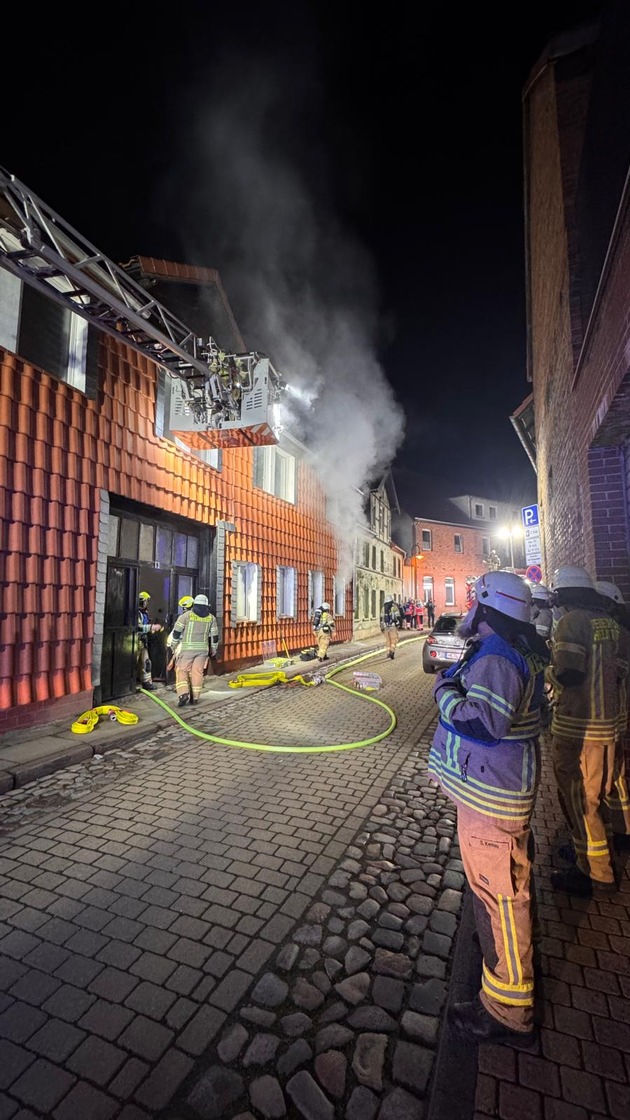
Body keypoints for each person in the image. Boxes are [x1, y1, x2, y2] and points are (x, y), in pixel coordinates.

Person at [428, 571, 549, 1043]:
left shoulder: (499, 657)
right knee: (500, 891)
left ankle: (507, 1009)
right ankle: (501, 956)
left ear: (485, 606)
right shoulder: (515, 651)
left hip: (492, 799)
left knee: (502, 897)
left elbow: (484, 723)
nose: (468, 612)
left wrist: (443, 691)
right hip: (496, 791)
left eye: (473, 603)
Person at [548, 565, 630, 896]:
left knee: (581, 801)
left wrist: (548, 676)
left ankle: (595, 872)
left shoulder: (572, 622)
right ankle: (592, 855)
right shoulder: (614, 626)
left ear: (565, 596)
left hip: (579, 730)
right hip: (609, 728)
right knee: (599, 798)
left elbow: (569, 672)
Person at [594, 580, 630, 850]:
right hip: (617, 718)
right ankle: (622, 829)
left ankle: (596, 860)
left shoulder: (613, 634)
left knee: (601, 783)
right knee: (616, 777)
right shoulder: (621, 632)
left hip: (605, 720)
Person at [168, 593, 219, 707]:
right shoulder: (211, 618)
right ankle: (195, 698)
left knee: (181, 671)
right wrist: (214, 649)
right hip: (203, 651)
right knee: (197, 672)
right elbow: (214, 636)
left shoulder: (185, 616)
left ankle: (183, 694)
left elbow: (176, 633)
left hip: (187, 650)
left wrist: (174, 646)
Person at [137, 592, 163, 691]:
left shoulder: (144, 613)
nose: (146, 603)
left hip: (143, 642)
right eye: (146, 601)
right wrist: (152, 627)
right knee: (134, 663)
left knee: (146, 662)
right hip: (135, 642)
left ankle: (146, 682)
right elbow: (138, 627)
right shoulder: (137, 613)